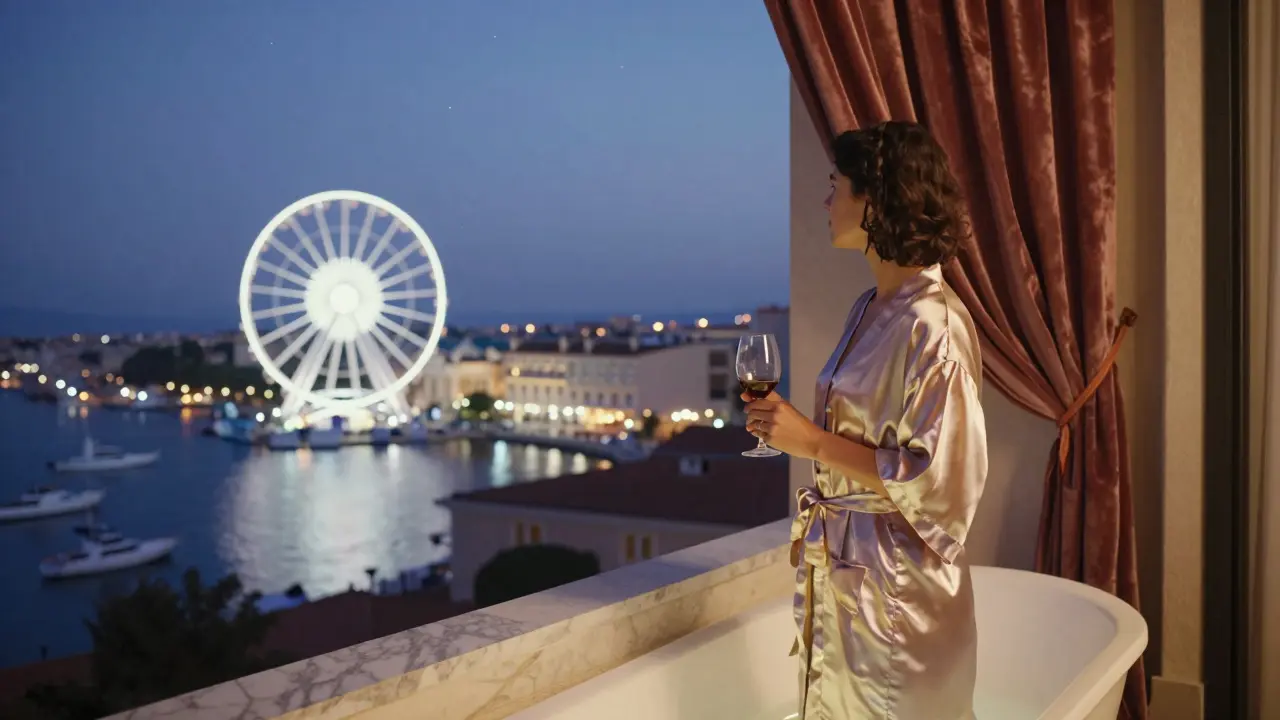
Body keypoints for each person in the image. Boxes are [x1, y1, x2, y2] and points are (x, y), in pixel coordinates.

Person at [744, 120, 988, 720]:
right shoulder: (872, 307)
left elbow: (944, 482)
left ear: (877, 200)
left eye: (838, 186)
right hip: (854, 574)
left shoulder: (935, 325)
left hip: (899, 590)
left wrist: (812, 442)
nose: (828, 202)